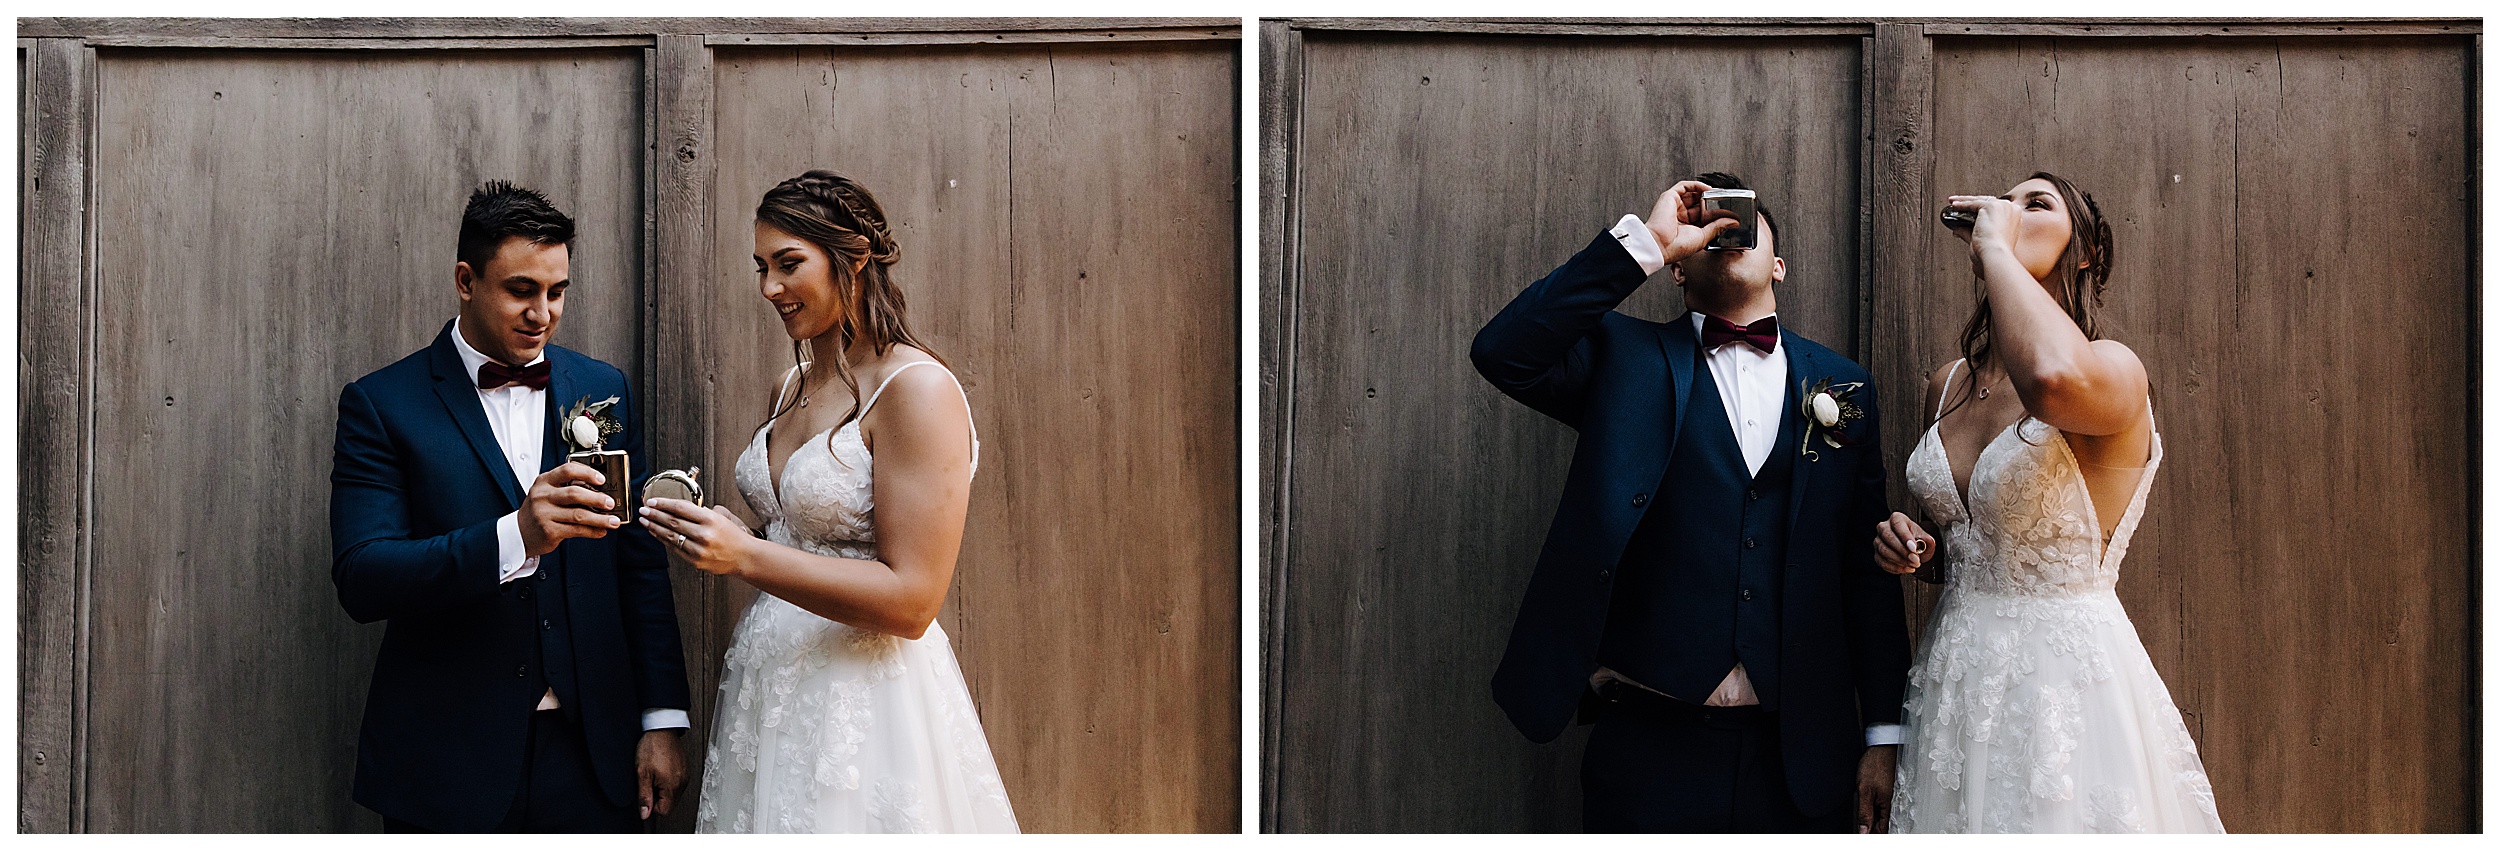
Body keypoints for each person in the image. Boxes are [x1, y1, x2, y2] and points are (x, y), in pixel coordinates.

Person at [1470, 174, 1911, 832]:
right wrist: (1646, 243)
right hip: (1649, 745)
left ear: (1779, 265)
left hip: (1800, 754)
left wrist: (1884, 736)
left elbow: (1862, 571)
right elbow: (1503, 351)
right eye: (1710, 225)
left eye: (1743, 222)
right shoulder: (1624, 357)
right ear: (1677, 270)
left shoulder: (1841, 384)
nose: (1726, 234)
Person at [638, 170, 1018, 833]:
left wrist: (748, 558)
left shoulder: (915, 389)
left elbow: (913, 600)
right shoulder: (789, 384)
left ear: (855, 257)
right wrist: (739, 530)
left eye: (789, 264)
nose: (769, 288)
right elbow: (795, 533)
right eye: (761, 267)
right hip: (768, 693)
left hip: (862, 707)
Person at [330, 180, 692, 832]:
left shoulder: (602, 388)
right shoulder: (382, 403)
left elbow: (637, 565)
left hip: (594, 755)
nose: (543, 313)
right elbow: (363, 575)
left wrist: (661, 718)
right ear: (466, 280)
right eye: (521, 290)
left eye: (557, 292)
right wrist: (515, 535)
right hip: (449, 757)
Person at [1875, 172, 2224, 833]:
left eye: (2036, 204)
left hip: (2062, 689)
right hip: (1955, 679)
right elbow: (1962, 549)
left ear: (2085, 250)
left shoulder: (2114, 370)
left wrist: (1998, 252)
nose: (2010, 212)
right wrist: (1911, 549)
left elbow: (2051, 381)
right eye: (2004, 203)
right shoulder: (1947, 384)